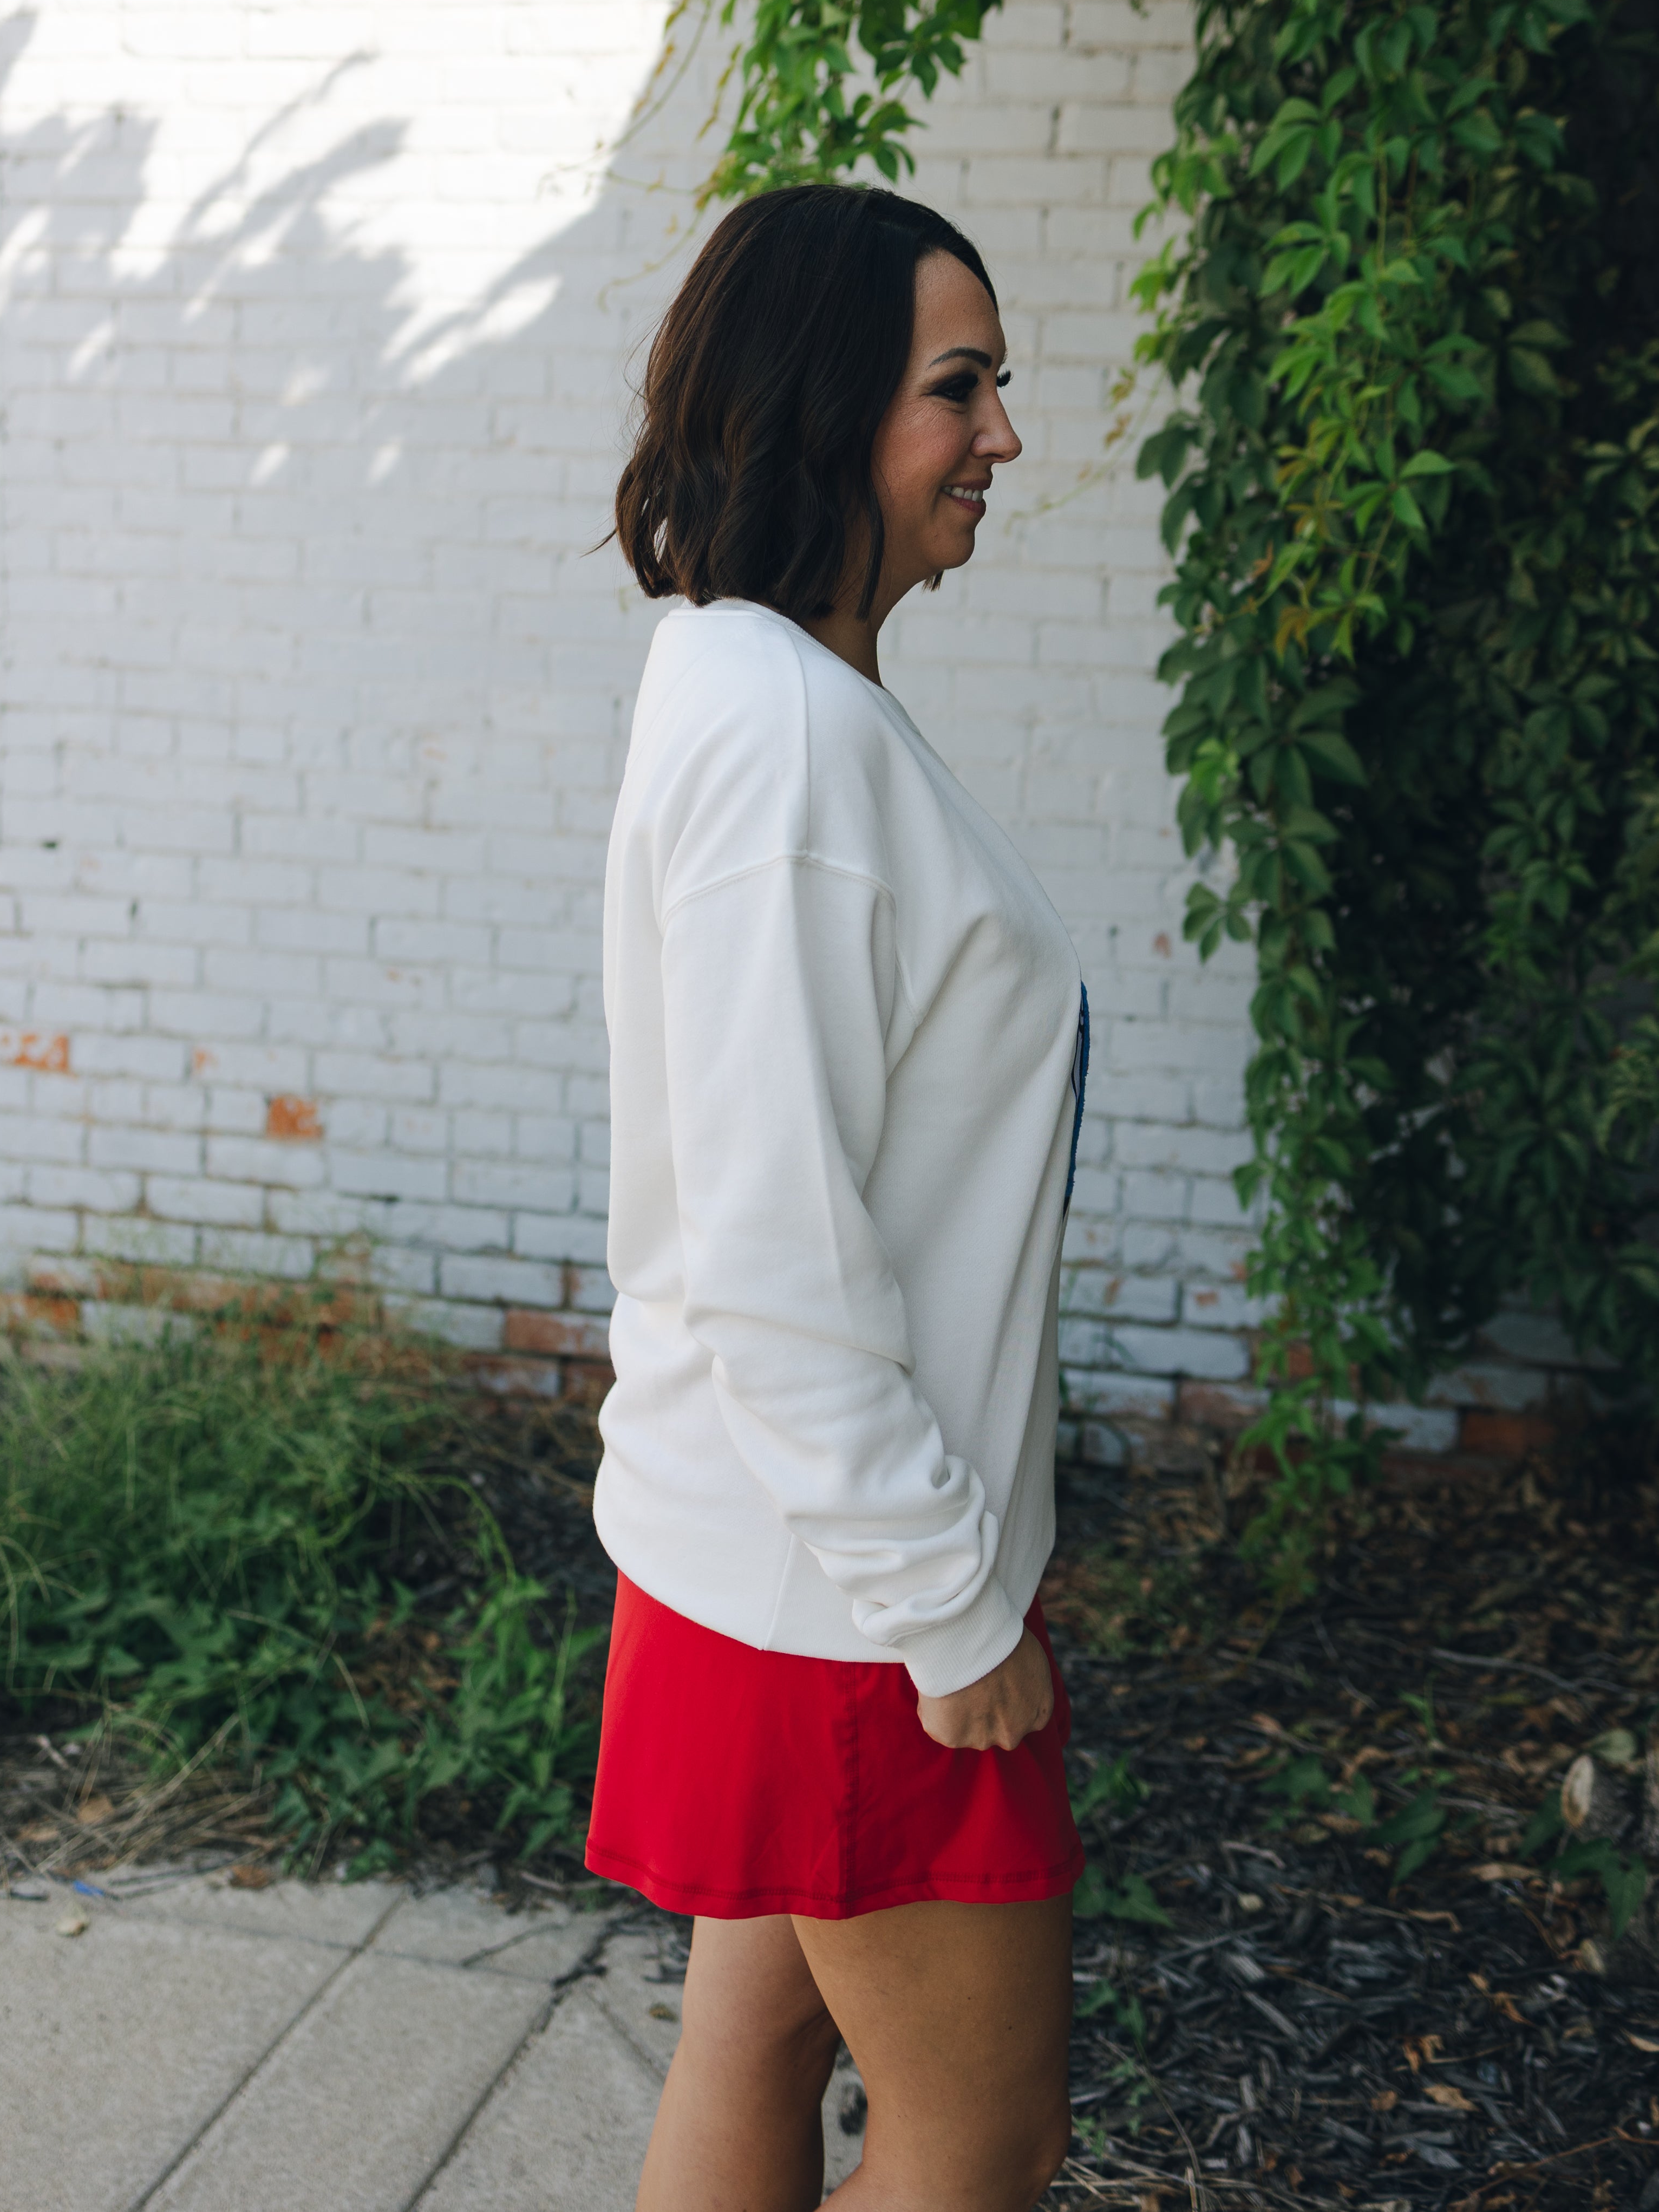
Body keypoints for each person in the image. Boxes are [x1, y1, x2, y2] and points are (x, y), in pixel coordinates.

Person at [587, 182, 1090, 2212]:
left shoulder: (751, 682)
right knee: (978, 2141)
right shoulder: (788, 741)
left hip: (785, 1560)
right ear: (822, 409)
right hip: (853, 1600)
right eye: (954, 388)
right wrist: (949, 1607)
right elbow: (775, 1253)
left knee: (758, 2033)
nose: (1001, 435)